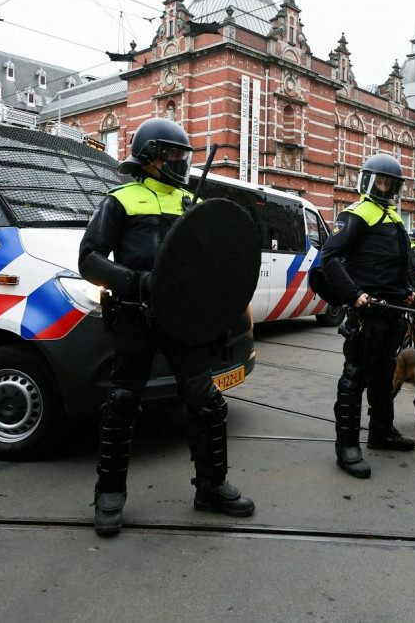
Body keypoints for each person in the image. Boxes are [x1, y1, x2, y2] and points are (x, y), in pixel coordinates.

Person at [78, 117, 254, 536]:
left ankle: (211, 488)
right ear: (150, 157)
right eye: (172, 154)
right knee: (122, 403)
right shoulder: (120, 200)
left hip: (182, 320)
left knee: (207, 401)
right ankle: (109, 493)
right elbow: (89, 258)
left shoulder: (189, 204)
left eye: (183, 155)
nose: (179, 162)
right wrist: (136, 281)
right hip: (134, 317)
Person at [317, 153, 415, 479]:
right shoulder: (356, 213)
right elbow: (329, 258)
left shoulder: (394, 217)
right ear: (369, 181)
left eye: (392, 183)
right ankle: (346, 447)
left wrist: (409, 289)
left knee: (384, 374)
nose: (386, 187)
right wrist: (354, 295)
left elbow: (401, 261)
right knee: (355, 377)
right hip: (367, 311)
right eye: (382, 181)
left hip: (392, 311)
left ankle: (381, 432)